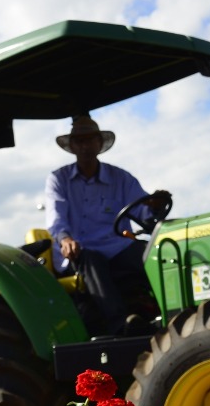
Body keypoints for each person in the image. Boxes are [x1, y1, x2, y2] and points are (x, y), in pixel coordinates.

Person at [46, 114, 171, 336]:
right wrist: (65, 239)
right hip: (79, 249)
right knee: (91, 261)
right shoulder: (59, 179)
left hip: (116, 245)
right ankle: (121, 325)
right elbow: (57, 218)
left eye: (90, 140)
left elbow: (143, 212)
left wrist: (154, 206)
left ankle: (171, 314)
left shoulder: (121, 178)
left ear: (99, 143)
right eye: (80, 141)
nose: (85, 146)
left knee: (152, 255)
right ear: (73, 146)